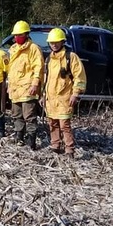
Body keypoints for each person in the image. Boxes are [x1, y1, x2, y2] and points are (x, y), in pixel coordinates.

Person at [43, 28, 87, 158]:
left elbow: (80, 77)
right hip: (51, 98)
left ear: (63, 42)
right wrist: (43, 95)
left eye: (56, 42)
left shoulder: (71, 57)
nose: (54, 45)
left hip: (64, 97)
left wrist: (75, 94)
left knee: (64, 125)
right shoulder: (49, 59)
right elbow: (46, 79)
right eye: (52, 42)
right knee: (52, 123)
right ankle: (55, 145)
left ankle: (69, 149)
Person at [7, 20, 44, 150]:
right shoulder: (13, 49)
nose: (17, 37)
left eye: (20, 35)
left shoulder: (33, 49)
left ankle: (31, 141)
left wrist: (35, 84)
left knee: (29, 116)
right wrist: (9, 85)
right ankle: (19, 138)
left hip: (28, 89)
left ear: (26, 35)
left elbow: (38, 68)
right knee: (16, 115)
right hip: (15, 89)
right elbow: (11, 69)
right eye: (15, 35)